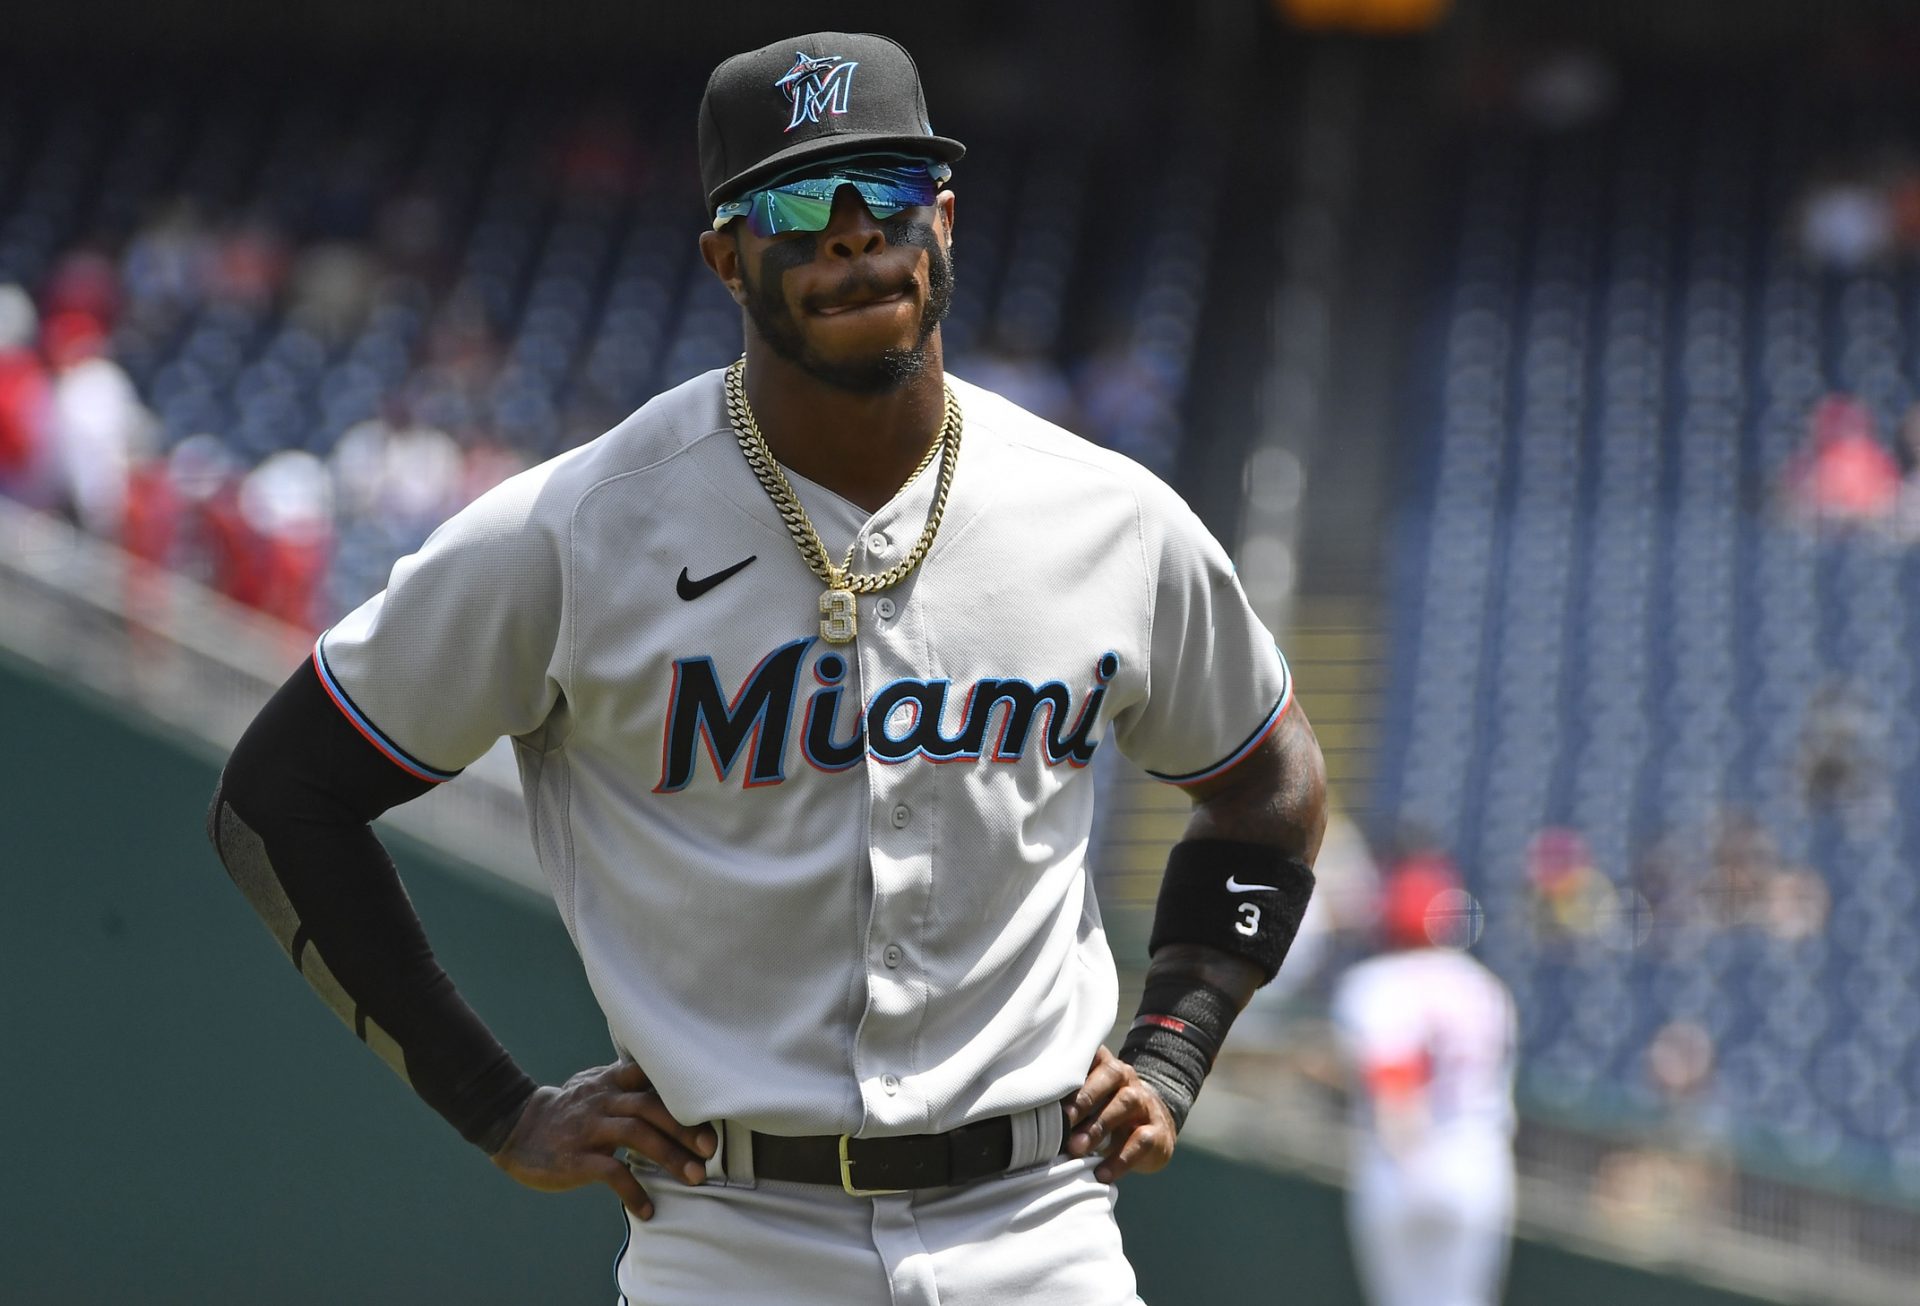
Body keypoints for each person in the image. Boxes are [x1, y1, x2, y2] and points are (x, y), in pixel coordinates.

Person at [207, 31, 1325, 1305]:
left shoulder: (1107, 517)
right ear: (727, 256)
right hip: (731, 1238)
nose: (852, 235)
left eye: (889, 192)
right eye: (799, 204)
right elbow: (280, 795)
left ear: (944, 219)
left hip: (1039, 1230)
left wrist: (1175, 1046)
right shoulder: (575, 530)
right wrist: (495, 1105)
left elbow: (1267, 778)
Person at [1331, 861, 1517, 1306]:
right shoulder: (1485, 987)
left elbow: (1396, 1085)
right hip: (1478, 1162)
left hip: (1404, 1162)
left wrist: (1416, 1169)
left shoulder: (1375, 983)